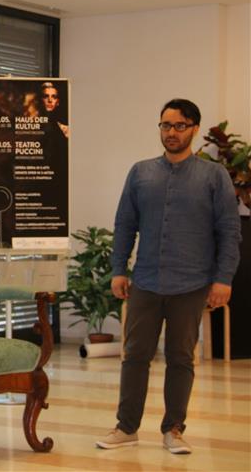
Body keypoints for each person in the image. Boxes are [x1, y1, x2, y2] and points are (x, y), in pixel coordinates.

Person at [97, 99, 240, 454]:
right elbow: (124, 224)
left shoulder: (214, 176)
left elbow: (229, 231)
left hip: (191, 284)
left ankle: (173, 430)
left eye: (179, 125)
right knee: (134, 356)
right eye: (165, 125)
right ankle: (126, 427)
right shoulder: (140, 172)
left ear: (194, 128)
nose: (171, 132)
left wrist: (223, 279)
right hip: (145, 281)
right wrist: (118, 269)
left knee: (180, 358)